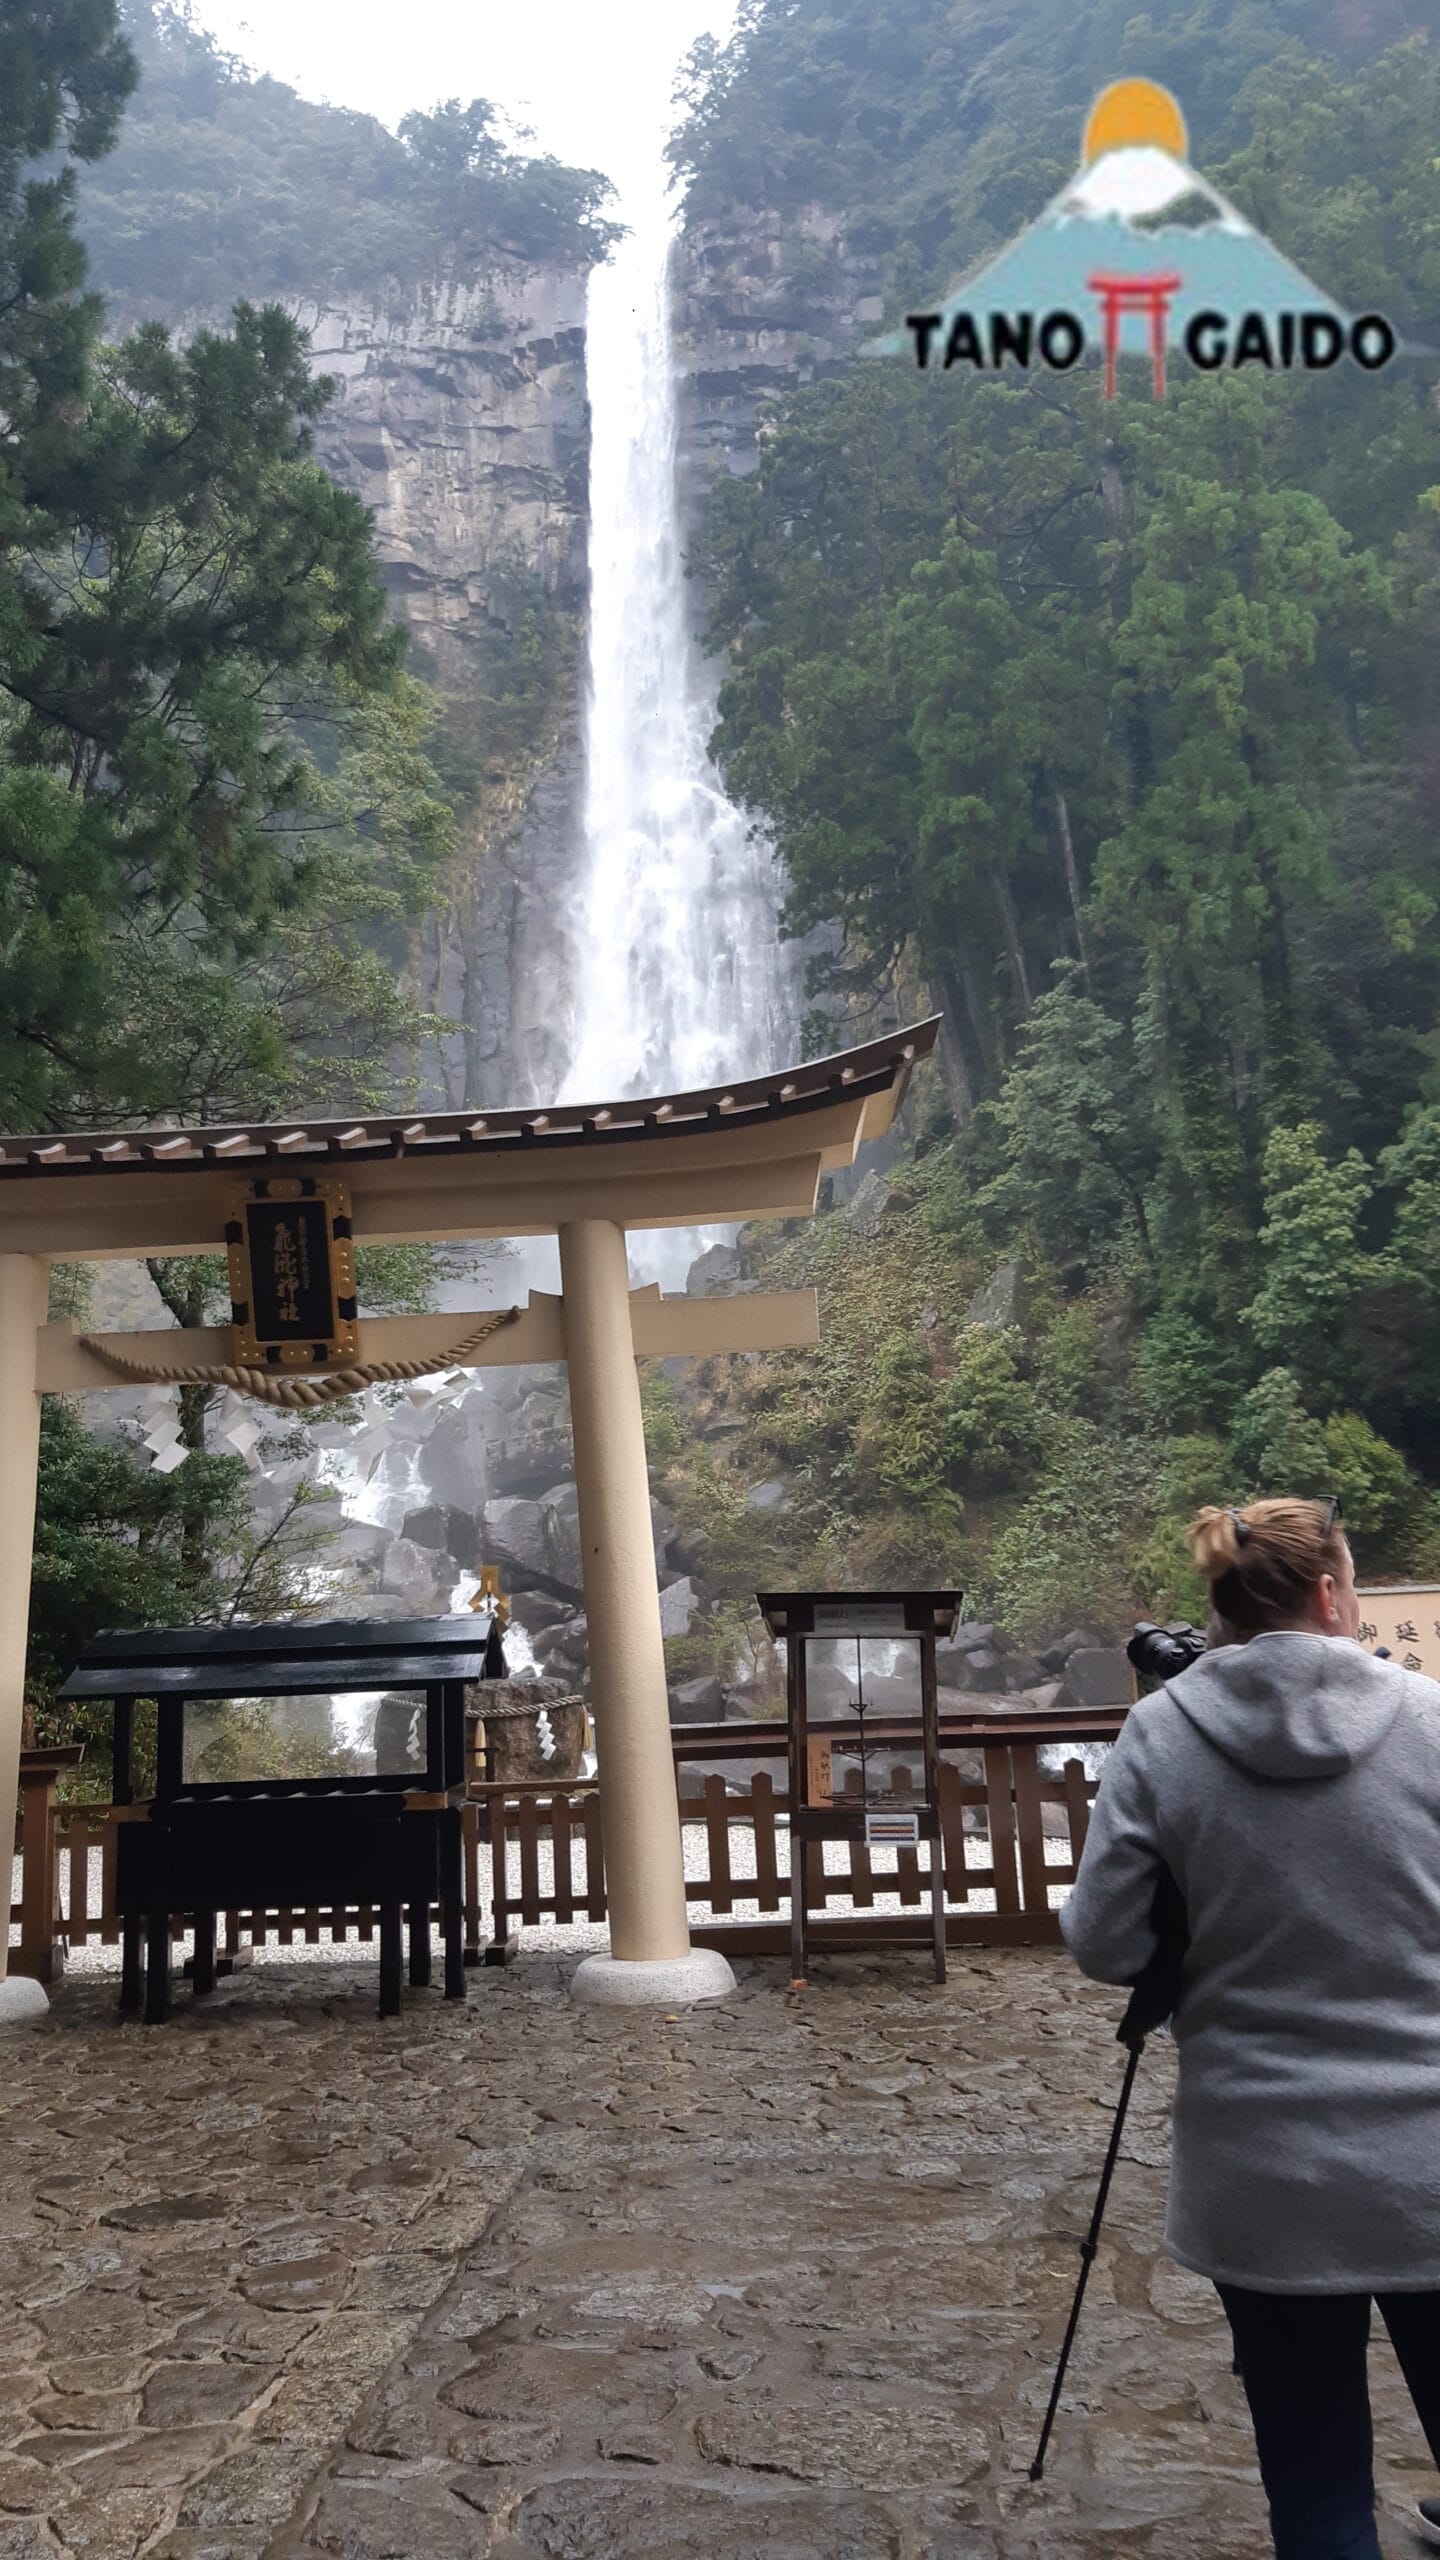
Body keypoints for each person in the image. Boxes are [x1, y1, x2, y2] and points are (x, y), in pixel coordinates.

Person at [1059, 1497, 1440, 2560]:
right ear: (1331, 1592)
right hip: (1433, 2155)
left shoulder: (1163, 1732)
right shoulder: (1430, 1719)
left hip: (1263, 2171)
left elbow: (1103, 1941)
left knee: (1316, 2486)